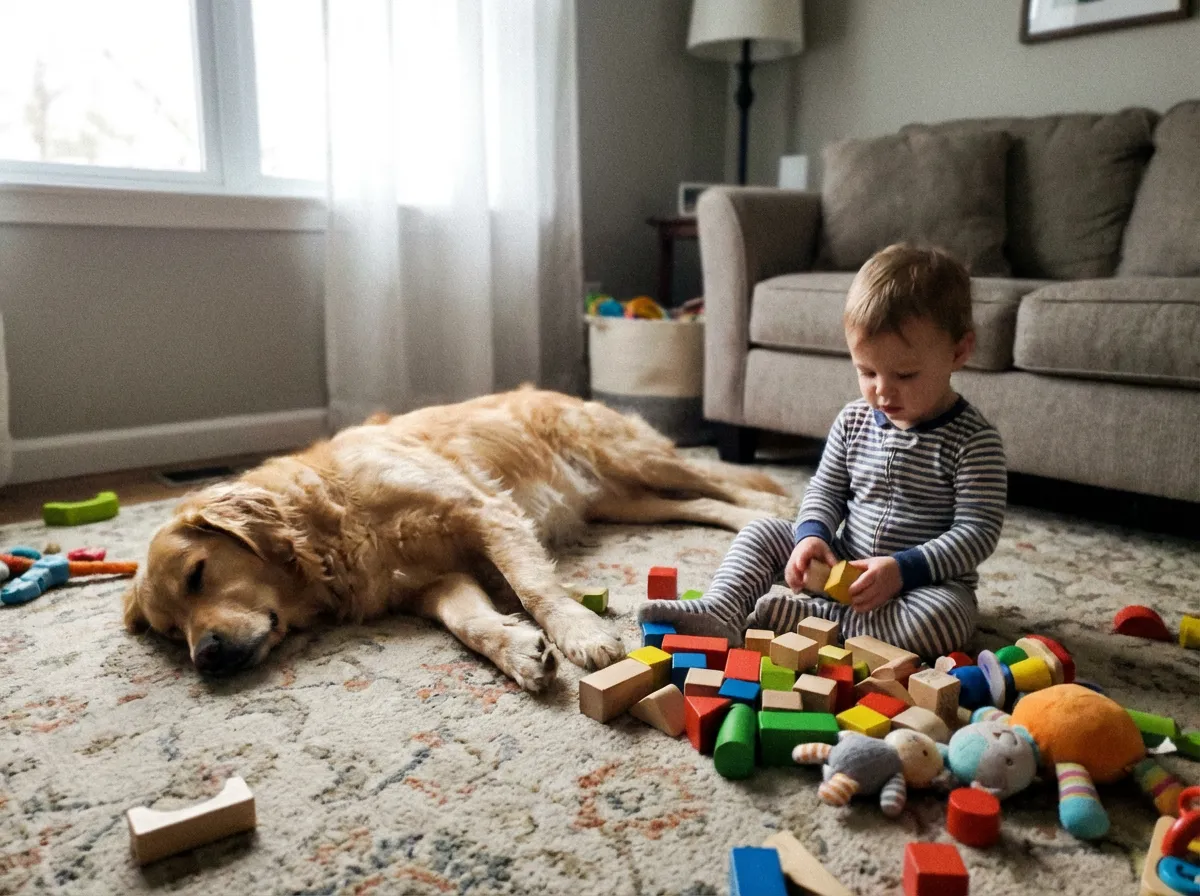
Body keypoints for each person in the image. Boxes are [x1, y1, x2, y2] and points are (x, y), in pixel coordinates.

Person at [639, 243, 1007, 658]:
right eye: (866, 372)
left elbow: (976, 534)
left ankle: (815, 621)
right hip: (843, 560)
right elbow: (825, 491)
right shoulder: (853, 421)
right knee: (760, 531)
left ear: (958, 352)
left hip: (923, 585)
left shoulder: (975, 442)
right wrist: (811, 537)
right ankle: (722, 610)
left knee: (945, 622)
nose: (881, 391)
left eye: (904, 374)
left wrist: (903, 570)